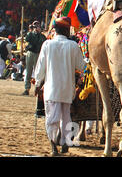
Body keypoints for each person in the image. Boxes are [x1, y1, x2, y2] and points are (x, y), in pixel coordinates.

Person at [34, 17, 86, 156]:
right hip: (68, 90)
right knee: (66, 117)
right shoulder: (73, 46)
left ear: (55, 30)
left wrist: (38, 84)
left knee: (52, 118)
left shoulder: (47, 44)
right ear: (66, 30)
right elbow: (82, 66)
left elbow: (40, 67)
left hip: (52, 89)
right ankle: (65, 144)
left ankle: (53, 146)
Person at [23, 21, 46, 96]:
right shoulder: (30, 34)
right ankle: (27, 89)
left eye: (37, 26)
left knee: (38, 71)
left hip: (38, 54)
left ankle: (37, 88)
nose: (36, 28)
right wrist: (30, 31)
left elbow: (44, 43)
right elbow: (26, 40)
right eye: (35, 26)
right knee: (28, 71)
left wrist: (39, 33)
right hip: (31, 53)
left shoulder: (42, 36)